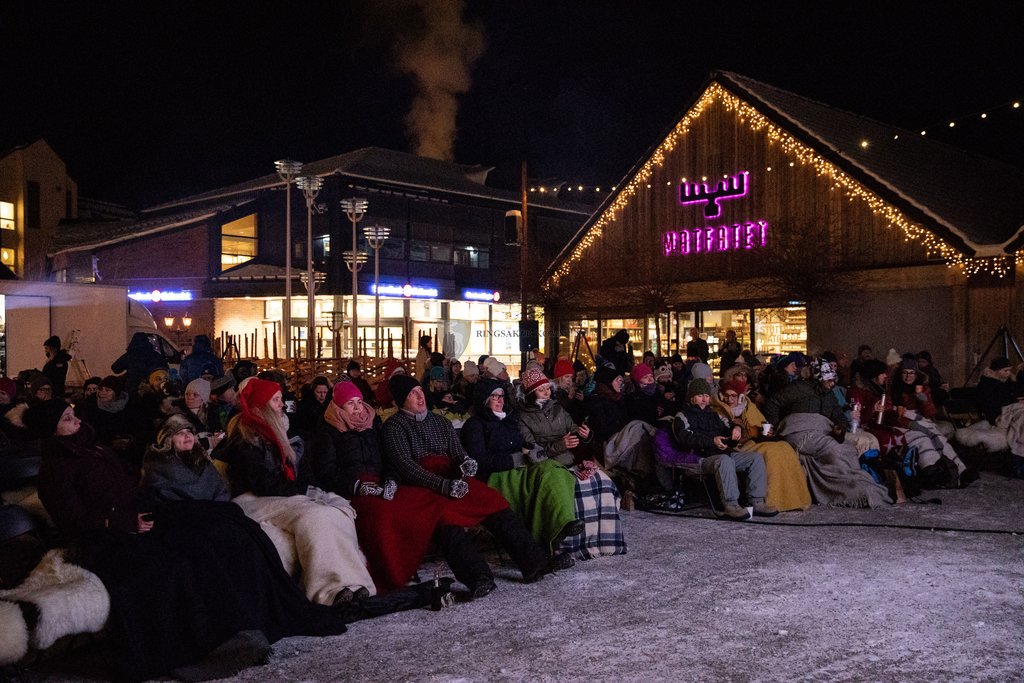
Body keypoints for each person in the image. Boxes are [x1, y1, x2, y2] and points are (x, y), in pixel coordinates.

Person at [28, 397, 348, 680]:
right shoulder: (56, 470)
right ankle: (218, 638)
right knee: (188, 554)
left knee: (230, 522)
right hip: (112, 535)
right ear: (51, 430)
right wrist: (121, 521)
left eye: (73, 414)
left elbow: (131, 486)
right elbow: (72, 521)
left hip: (147, 512)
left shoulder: (93, 449)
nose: (78, 420)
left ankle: (259, 611)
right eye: (67, 419)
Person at [380, 373, 550, 598]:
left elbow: (458, 453)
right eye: (412, 394)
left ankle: (533, 562)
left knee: (492, 501)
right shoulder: (394, 427)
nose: (420, 398)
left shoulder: (440, 422)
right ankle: (478, 576)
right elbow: (406, 467)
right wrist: (443, 486)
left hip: (450, 477)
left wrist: (466, 464)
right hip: (419, 486)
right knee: (444, 519)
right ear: (402, 399)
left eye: (420, 391)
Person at [215, 377, 376, 606]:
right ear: (262, 405)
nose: (282, 404)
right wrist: (302, 490)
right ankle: (327, 589)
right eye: (276, 400)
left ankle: (352, 582)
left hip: (281, 495)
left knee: (334, 511)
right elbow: (262, 483)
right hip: (253, 500)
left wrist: (309, 489)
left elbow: (302, 472)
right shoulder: (245, 439)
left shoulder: (280, 432)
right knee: (315, 516)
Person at [461, 375, 583, 568]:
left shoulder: (509, 420)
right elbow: (478, 460)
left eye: (502, 396)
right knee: (541, 477)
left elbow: (523, 445)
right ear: (484, 399)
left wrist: (533, 453)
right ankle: (545, 543)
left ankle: (563, 524)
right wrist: (515, 459)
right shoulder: (475, 425)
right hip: (497, 475)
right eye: (495, 396)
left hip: (519, 467)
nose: (500, 400)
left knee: (554, 468)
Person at [515, 369, 627, 560]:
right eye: (541, 390)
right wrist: (560, 445)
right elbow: (531, 451)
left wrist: (585, 434)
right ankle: (569, 544)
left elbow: (573, 430)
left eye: (547, 388)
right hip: (547, 467)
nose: (546, 393)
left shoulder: (559, 409)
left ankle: (603, 540)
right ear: (530, 393)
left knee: (604, 483)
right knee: (577, 490)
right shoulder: (522, 418)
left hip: (569, 461)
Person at [764, 359, 891, 508]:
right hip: (799, 431)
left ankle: (854, 486)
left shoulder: (828, 394)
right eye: (829, 380)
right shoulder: (797, 389)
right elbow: (773, 403)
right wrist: (777, 427)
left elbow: (838, 414)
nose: (832, 384)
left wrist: (840, 427)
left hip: (821, 430)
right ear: (819, 377)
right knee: (834, 449)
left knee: (847, 448)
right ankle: (846, 489)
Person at [670, 378, 777, 520]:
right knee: (724, 461)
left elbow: (729, 425)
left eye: (707, 396)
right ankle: (731, 505)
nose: (704, 399)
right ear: (692, 397)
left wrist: (736, 429)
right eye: (700, 395)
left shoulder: (715, 415)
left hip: (721, 453)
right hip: (700, 458)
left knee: (755, 458)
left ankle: (757, 501)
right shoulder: (683, 416)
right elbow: (685, 439)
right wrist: (711, 441)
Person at [711, 378, 811, 511]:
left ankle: (795, 497)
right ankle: (773, 499)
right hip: (738, 447)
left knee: (784, 447)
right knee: (770, 453)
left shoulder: (748, 407)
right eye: (727, 395)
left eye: (733, 395)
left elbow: (760, 423)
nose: (730, 399)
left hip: (755, 441)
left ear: (740, 396)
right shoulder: (718, 410)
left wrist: (764, 432)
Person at [111, 332, 169, 397]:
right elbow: (165, 368)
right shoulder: (155, 355)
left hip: (132, 389)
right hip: (151, 388)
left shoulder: (130, 355)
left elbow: (115, 368)